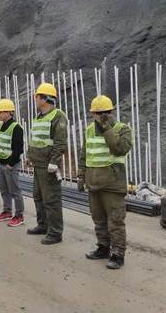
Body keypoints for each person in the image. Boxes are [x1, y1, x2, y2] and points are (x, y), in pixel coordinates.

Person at [78, 95, 132, 269]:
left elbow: (119, 149)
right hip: (94, 183)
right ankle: (103, 247)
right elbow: (85, 154)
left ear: (111, 112)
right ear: (93, 114)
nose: (101, 116)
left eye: (105, 113)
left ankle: (118, 254)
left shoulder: (122, 129)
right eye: (98, 113)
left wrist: (107, 128)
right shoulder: (89, 130)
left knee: (115, 221)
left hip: (113, 185)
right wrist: (81, 175)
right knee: (99, 219)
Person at [26, 83, 68, 245]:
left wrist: (54, 162)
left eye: (37, 97)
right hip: (38, 164)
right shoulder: (39, 117)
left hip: (48, 165)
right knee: (38, 196)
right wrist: (30, 156)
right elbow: (35, 139)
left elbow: (60, 142)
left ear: (44, 98)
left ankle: (55, 232)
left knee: (51, 199)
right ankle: (43, 225)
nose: (35, 99)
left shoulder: (58, 116)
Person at [0, 99, 25, 227]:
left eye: (1, 112)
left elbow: (18, 149)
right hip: (2, 162)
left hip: (11, 165)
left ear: (9, 112)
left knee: (15, 191)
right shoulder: (1, 125)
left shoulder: (16, 128)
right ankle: (7, 211)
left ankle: (19, 215)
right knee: (4, 189)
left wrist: (10, 164)